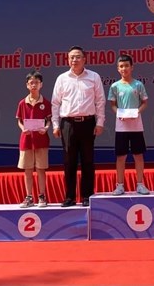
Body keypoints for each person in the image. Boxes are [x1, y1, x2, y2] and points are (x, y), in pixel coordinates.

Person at [52, 46, 106, 207]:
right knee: (69, 161)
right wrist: (55, 124)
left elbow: (100, 101)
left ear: (84, 59)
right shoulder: (62, 78)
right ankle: (69, 197)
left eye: (77, 57)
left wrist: (100, 122)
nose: (74, 60)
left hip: (88, 123)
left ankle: (87, 196)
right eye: (71, 57)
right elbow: (55, 103)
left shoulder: (94, 77)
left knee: (88, 161)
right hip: (68, 124)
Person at [107, 54, 150, 196]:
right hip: (121, 126)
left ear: (132, 67)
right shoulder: (115, 86)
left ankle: (140, 184)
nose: (124, 68)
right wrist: (118, 113)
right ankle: (119, 185)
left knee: (138, 155)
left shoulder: (138, 85)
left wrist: (138, 111)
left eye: (126, 66)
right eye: (121, 66)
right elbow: (112, 105)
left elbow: (145, 102)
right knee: (121, 156)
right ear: (117, 69)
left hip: (136, 126)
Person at [16, 70, 52, 208]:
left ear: (41, 84)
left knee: (41, 169)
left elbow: (48, 120)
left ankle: (42, 196)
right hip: (26, 140)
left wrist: (46, 128)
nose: (34, 85)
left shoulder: (46, 103)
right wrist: (22, 129)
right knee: (28, 170)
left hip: (41, 140)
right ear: (27, 85)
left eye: (36, 82)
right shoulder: (22, 103)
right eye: (31, 83)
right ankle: (29, 197)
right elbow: (19, 121)